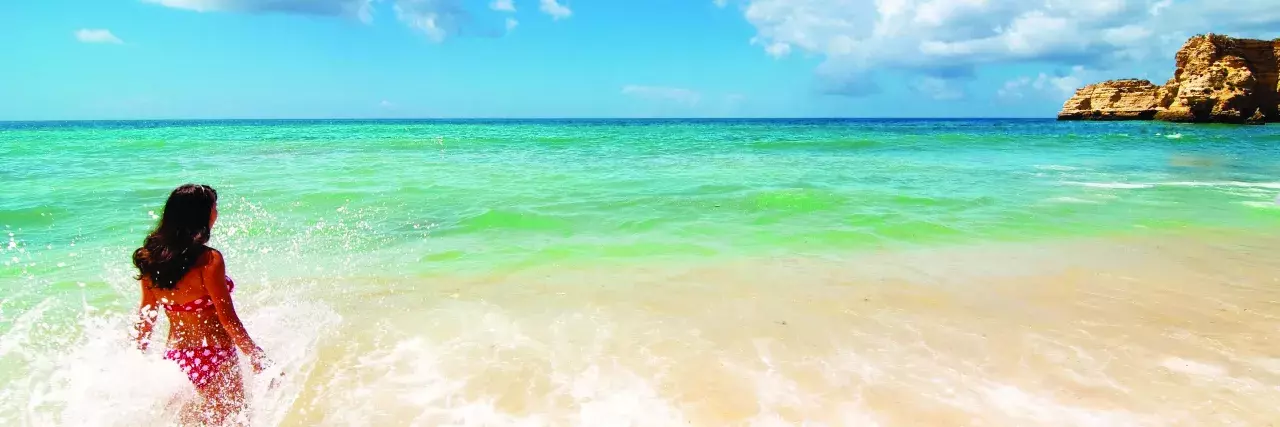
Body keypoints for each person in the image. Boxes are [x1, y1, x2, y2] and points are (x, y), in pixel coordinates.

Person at [131, 184, 271, 425]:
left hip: (176, 359)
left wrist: (133, 359)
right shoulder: (209, 259)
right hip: (214, 354)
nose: (216, 213)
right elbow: (228, 319)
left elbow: (147, 316)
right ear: (202, 214)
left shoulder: (150, 259)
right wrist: (256, 356)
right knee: (235, 422)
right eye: (214, 207)